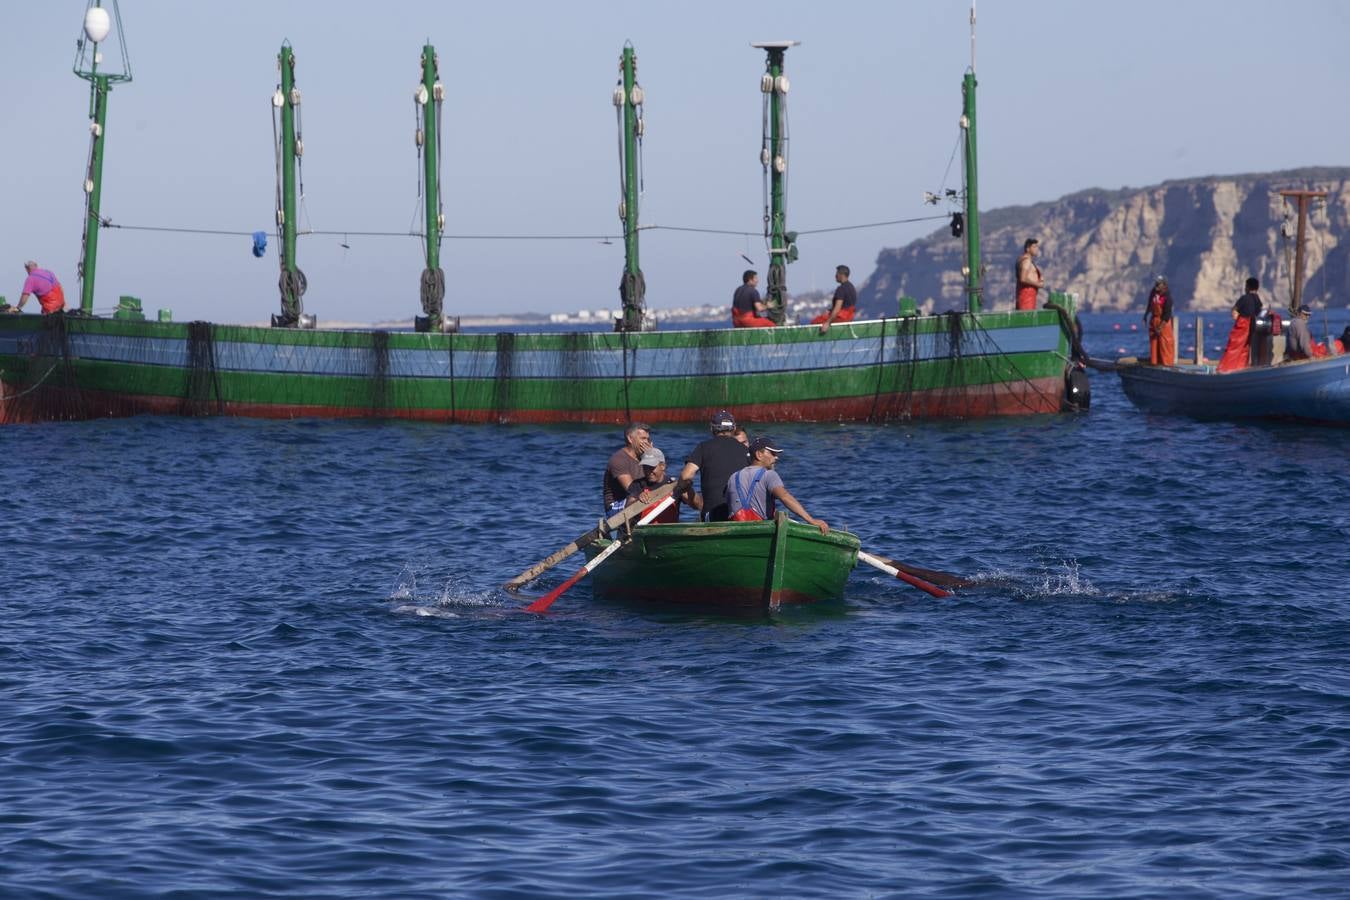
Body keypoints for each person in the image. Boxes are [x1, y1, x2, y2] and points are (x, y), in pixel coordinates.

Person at [725, 436, 829, 535]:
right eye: (772, 453)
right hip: (760, 532)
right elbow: (785, 496)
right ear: (759, 455)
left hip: (737, 530)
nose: (776, 457)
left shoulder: (733, 477)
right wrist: (811, 520)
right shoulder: (769, 474)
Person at [675, 409, 751, 522]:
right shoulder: (746, 451)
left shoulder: (703, 448)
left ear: (712, 429)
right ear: (734, 428)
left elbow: (686, 476)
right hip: (741, 515)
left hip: (713, 515)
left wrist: (680, 488)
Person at [624, 447, 698, 524]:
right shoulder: (637, 485)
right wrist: (638, 501)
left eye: (651, 467)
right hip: (643, 531)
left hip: (669, 531)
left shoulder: (674, 485)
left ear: (663, 466)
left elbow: (698, 506)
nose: (648, 471)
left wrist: (689, 490)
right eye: (645, 467)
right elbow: (626, 514)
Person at [602, 421, 651, 516]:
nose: (646, 442)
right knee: (636, 498)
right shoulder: (618, 459)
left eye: (648, 439)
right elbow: (632, 490)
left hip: (640, 497)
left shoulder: (645, 458)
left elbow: (660, 480)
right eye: (643, 438)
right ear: (630, 439)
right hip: (615, 506)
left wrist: (653, 457)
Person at [1217, 278, 1263, 372]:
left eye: (1246, 286)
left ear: (1248, 287)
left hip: (1243, 323)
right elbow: (1259, 312)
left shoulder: (1245, 298)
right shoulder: (1258, 299)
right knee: (1245, 349)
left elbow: (1234, 311)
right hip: (1252, 324)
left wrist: (1236, 316)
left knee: (1233, 346)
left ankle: (1224, 368)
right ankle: (1240, 368)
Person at [812, 265, 858, 332]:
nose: (835, 276)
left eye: (837, 274)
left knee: (815, 321)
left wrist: (827, 323)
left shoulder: (841, 289)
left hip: (841, 319)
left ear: (841, 275)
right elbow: (847, 306)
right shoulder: (852, 287)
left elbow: (837, 308)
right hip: (849, 318)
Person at [1144, 275, 1176, 366]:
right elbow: (1150, 304)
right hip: (1154, 320)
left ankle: (1167, 365)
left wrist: (1160, 327)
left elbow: (1167, 315)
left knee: (1165, 345)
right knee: (1154, 345)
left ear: (1164, 285)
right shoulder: (1153, 292)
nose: (1156, 285)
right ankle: (1155, 364)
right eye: (1156, 283)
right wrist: (1145, 315)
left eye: (1159, 283)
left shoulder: (1168, 298)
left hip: (1164, 323)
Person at [1015, 239, 1046, 311]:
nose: (1037, 249)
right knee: (1027, 318)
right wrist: (1038, 284)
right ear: (1028, 249)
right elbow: (1023, 278)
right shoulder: (1026, 261)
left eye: (1037, 247)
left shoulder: (1024, 260)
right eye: (1034, 247)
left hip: (1028, 296)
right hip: (1026, 297)